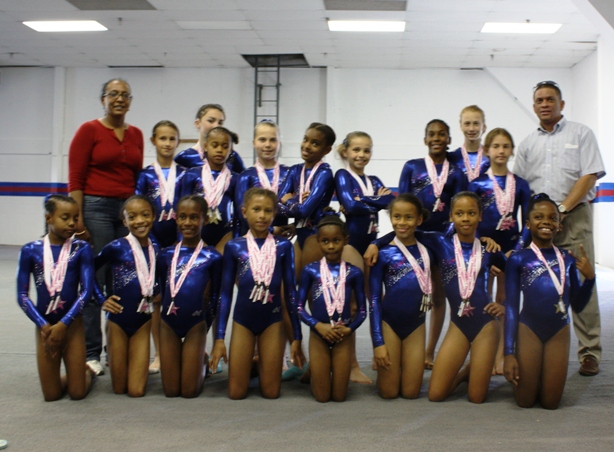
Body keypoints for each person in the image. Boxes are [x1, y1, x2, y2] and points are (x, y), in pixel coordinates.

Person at [365, 192, 504, 403]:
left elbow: (515, 270)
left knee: (474, 398)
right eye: (459, 213)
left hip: (484, 324)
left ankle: (470, 371)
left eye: (471, 213)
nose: (465, 218)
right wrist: (375, 243)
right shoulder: (439, 242)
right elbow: (406, 231)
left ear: (480, 216)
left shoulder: (487, 249)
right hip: (450, 325)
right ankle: (464, 373)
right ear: (451, 216)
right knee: (430, 394)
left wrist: (504, 305)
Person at [514, 80, 606, 376]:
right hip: (538, 225)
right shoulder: (528, 144)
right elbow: (520, 187)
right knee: (536, 283)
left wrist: (562, 210)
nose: (545, 104)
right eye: (540, 100)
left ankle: (589, 352)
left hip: (573, 217)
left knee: (582, 277)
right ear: (534, 106)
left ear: (561, 104)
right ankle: (533, 345)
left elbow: (590, 175)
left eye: (550, 99)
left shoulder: (581, 134)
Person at [68, 78, 144, 376]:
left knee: (122, 282)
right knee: (94, 281)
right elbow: (76, 178)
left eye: (125, 94)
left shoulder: (136, 134)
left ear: (131, 101)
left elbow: (136, 177)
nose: (119, 98)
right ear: (103, 99)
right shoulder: (89, 130)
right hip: (95, 209)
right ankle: (91, 352)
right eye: (113, 94)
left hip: (125, 212)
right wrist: (78, 219)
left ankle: (116, 349)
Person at [210, 188, 304, 399]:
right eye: (256, 209)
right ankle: (252, 364)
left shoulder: (283, 246)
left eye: (268, 211)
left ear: (274, 214)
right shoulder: (234, 247)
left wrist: (296, 337)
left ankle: (260, 362)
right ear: (244, 212)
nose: (262, 215)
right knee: (236, 393)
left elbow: (291, 293)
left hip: (272, 322)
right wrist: (219, 338)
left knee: (271, 393)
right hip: (243, 321)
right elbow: (225, 294)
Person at [504, 194, 595, 409]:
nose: (546, 221)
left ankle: (540, 372)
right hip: (529, 329)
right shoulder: (518, 259)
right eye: (539, 217)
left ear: (559, 225)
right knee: (525, 402)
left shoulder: (568, 259)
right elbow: (511, 307)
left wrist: (590, 279)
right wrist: (508, 352)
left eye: (552, 218)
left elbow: (578, 305)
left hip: (558, 331)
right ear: (528, 224)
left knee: (551, 403)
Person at [398, 119, 466, 369]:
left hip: (442, 241)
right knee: (408, 294)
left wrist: (442, 238)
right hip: (413, 237)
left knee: (437, 297)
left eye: (442, 134)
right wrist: (410, 234)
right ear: (425, 139)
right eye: (432, 134)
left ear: (449, 140)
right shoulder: (412, 166)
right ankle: (403, 346)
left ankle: (428, 352)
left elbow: (458, 209)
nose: (436, 138)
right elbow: (402, 203)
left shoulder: (456, 172)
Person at [16, 195, 95, 401]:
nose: (72, 223)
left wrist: (64, 324)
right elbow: (22, 295)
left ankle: (86, 372)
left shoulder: (82, 249)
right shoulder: (30, 251)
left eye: (75, 218)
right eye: (65, 218)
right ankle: (75, 372)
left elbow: (86, 292)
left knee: (77, 393)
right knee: (51, 395)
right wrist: (43, 325)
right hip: (45, 327)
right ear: (48, 218)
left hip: (72, 325)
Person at [468, 128, 531, 374]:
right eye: (496, 146)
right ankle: (482, 351)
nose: (501, 151)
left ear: (512, 150)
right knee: (482, 301)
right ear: (486, 150)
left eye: (506, 146)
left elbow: (528, 223)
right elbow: (468, 220)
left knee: (505, 301)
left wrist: (515, 251)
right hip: (483, 251)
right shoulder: (477, 184)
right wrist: (481, 241)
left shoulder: (521, 185)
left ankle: (502, 353)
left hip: (509, 253)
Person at [93, 196, 159, 397]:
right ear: (124, 221)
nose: (139, 221)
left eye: (145, 215)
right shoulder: (116, 247)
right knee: (119, 388)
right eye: (132, 217)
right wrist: (101, 299)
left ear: (153, 217)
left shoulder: (157, 249)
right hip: (118, 321)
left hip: (143, 322)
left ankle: (135, 362)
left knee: (136, 391)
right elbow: (88, 270)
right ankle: (90, 371)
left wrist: (159, 293)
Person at [157, 196, 222, 398]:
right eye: (183, 217)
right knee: (171, 391)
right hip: (168, 322)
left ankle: (201, 360)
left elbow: (216, 297)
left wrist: (205, 325)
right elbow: (163, 289)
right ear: (176, 218)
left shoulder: (212, 256)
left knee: (189, 392)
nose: (187, 223)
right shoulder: (165, 254)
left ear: (205, 219)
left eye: (194, 217)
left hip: (196, 324)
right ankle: (185, 357)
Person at [297, 214, 367, 402]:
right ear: (318, 242)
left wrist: (349, 329)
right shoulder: (310, 270)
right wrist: (317, 325)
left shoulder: (354, 272)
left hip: (343, 335)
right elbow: (298, 307)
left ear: (346, 240)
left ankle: (321, 369)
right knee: (322, 397)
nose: (330, 246)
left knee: (339, 396)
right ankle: (316, 370)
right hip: (319, 333)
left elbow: (362, 310)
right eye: (325, 241)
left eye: (336, 240)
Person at [369, 194, 432, 399]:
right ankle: (389, 363)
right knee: (388, 393)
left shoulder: (428, 249)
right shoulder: (383, 253)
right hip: (389, 325)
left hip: (416, 325)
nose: (402, 222)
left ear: (419, 219)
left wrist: (485, 239)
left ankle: (402, 363)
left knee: (411, 393)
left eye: (408, 217)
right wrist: (378, 343)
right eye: (397, 217)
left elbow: (456, 233)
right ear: (390, 218)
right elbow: (375, 300)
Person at [136, 120, 186, 374]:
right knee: (157, 300)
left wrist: (181, 241)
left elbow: (189, 208)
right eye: (162, 138)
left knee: (180, 295)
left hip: (180, 242)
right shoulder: (145, 175)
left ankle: (185, 348)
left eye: (172, 139)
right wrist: (150, 243)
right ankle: (158, 354)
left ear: (178, 142)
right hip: (153, 241)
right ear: (153, 141)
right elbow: (139, 209)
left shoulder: (186, 174)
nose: (167, 143)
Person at [334, 131, 395, 256]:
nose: (361, 155)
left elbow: (391, 201)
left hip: (371, 240)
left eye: (366, 151)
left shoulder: (374, 180)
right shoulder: (343, 175)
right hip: (351, 241)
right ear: (345, 152)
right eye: (356, 150)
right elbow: (352, 206)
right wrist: (378, 202)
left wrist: (362, 198)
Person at [181, 126, 239, 253]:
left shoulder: (235, 178)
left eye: (225, 146)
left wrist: (233, 238)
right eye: (215, 145)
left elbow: (238, 215)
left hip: (225, 235)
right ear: (206, 146)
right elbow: (182, 210)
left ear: (230, 150)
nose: (219, 150)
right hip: (195, 233)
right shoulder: (192, 174)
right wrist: (184, 240)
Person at [235, 120, 293, 238]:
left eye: (273, 140)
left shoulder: (289, 173)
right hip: (252, 239)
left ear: (279, 143)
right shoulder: (246, 176)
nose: (267, 145)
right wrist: (271, 229)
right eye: (262, 140)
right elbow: (241, 213)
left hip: (280, 239)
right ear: (254, 142)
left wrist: (295, 226)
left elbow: (297, 207)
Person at [174, 103, 245, 173]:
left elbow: (245, 178)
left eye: (220, 122)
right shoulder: (185, 157)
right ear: (197, 123)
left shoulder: (231, 156)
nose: (216, 125)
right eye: (211, 121)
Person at [448, 105, 489, 182]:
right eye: (467, 123)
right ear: (461, 126)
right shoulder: (452, 158)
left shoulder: (490, 157)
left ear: (483, 126)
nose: (471, 129)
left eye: (476, 123)